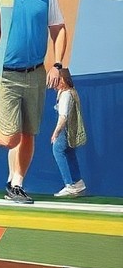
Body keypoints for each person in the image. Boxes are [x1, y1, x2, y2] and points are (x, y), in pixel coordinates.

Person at [0, 0, 69, 203]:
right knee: (11, 137)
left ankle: (16, 184)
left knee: (28, 133)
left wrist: (57, 65)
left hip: (36, 73)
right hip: (3, 74)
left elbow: (58, 28)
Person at [49, 69, 87, 197]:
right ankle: (78, 182)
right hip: (71, 130)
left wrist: (55, 133)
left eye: (57, 80)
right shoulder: (70, 92)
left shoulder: (66, 94)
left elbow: (63, 117)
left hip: (65, 130)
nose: (55, 83)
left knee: (58, 150)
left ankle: (69, 184)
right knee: (70, 153)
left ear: (63, 80)